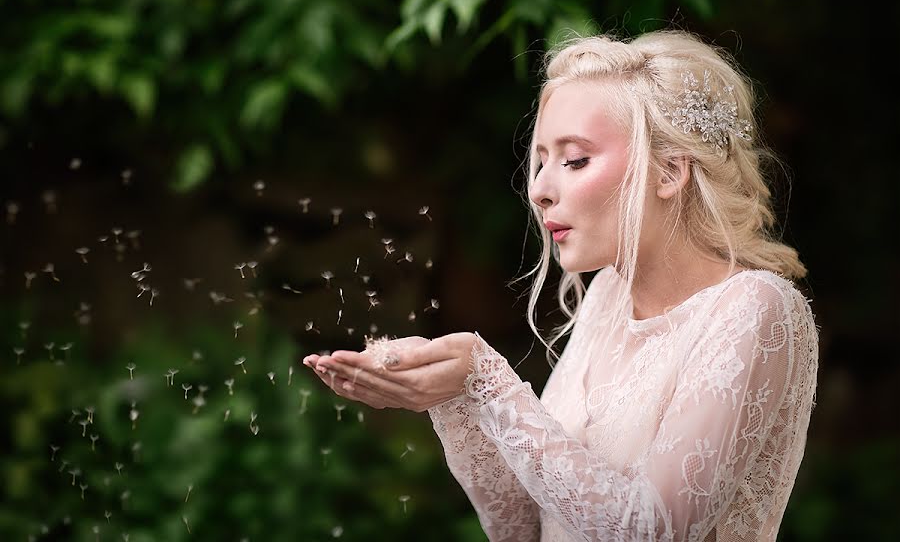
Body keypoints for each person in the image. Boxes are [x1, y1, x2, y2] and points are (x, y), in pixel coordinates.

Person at [303, 29, 820, 542]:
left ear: (668, 172)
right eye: (541, 161)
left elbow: (654, 530)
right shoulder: (608, 297)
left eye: (574, 160)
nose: (539, 190)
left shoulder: (755, 307)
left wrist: (489, 381)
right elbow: (524, 528)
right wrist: (457, 391)